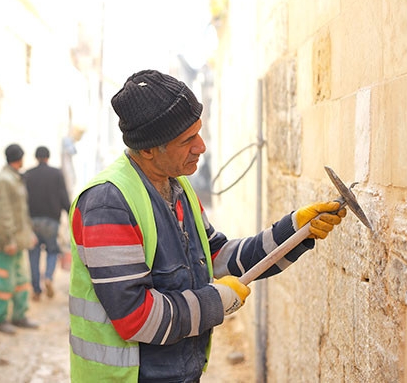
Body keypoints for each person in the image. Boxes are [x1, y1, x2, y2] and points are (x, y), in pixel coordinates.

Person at [68, 69, 347, 382]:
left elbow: (219, 257)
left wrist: (294, 231)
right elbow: (137, 317)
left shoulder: (177, 187)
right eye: (187, 140)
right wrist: (216, 301)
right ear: (148, 149)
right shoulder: (108, 203)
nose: (201, 146)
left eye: (199, 133)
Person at [0, 143, 39, 334]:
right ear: (20, 158)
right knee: (5, 282)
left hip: (18, 241)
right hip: (7, 243)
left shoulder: (14, 178)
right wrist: (8, 239)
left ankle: (20, 316)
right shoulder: (4, 180)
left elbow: (20, 211)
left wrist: (29, 234)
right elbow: (4, 214)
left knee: (21, 280)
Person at [24, 146, 71, 301]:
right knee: (52, 251)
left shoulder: (28, 175)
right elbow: (63, 196)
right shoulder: (56, 174)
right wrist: (71, 212)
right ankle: (49, 277)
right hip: (51, 222)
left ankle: (36, 290)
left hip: (32, 221)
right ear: (48, 157)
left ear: (36, 157)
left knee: (34, 254)